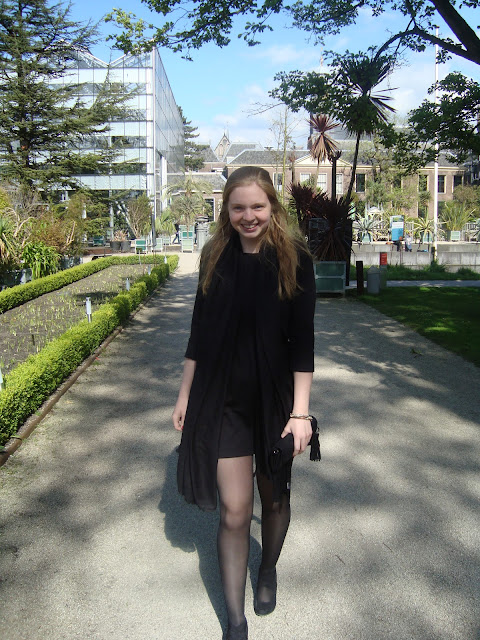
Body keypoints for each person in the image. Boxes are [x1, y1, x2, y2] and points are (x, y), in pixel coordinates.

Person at [172, 166, 316, 640]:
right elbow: (198, 331)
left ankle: (267, 567)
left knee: (273, 500)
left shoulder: (295, 257)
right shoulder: (214, 254)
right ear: (226, 211)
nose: (248, 216)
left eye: (257, 206)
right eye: (238, 208)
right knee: (235, 510)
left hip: (275, 401)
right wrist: (185, 394)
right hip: (223, 401)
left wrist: (300, 413)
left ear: (272, 206)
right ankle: (235, 620)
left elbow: (303, 342)